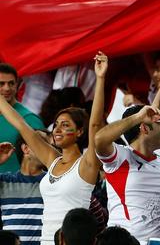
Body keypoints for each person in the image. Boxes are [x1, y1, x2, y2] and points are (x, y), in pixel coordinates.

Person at [0, 53, 107, 244]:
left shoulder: (87, 164)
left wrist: (100, 79)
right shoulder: (52, 159)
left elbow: (96, 125)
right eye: (56, 124)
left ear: (80, 131)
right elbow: (22, 126)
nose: (57, 129)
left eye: (65, 125)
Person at [94, 102, 160, 242]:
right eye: (159, 124)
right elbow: (99, 139)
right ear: (144, 127)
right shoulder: (120, 156)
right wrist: (138, 116)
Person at [0, 133, 47, 245]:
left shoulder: (53, 181)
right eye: (42, 144)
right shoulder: (5, 181)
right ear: (25, 148)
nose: (48, 150)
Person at [0, 63, 44, 173]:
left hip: (15, 186)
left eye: (11, 83)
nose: (7, 88)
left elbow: (43, 156)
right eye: (1, 84)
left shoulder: (29, 119)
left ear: (17, 84)